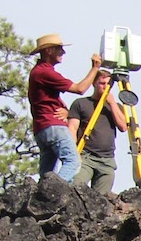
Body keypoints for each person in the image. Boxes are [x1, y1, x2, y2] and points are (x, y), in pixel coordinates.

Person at [27, 33, 103, 182]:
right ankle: (53, 192)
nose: (63, 52)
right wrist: (95, 69)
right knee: (73, 163)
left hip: (41, 128)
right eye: (59, 48)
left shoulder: (37, 72)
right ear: (48, 51)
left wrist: (66, 112)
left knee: (47, 172)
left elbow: (43, 102)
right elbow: (79, 89)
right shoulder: (45, 72)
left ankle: (43, 200)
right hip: (53, 126)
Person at [68, 71, 129, 193]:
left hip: (107, 160)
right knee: (75, 190)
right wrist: (73, 153)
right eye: (102, 83)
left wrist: (111, 103)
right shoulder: (81, 103)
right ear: (94, 83)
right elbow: (72, 128)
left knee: (101, 199)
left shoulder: (114, 107)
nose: (105, 87)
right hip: (86, 156)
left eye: (108, 84)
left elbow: (123, 127)